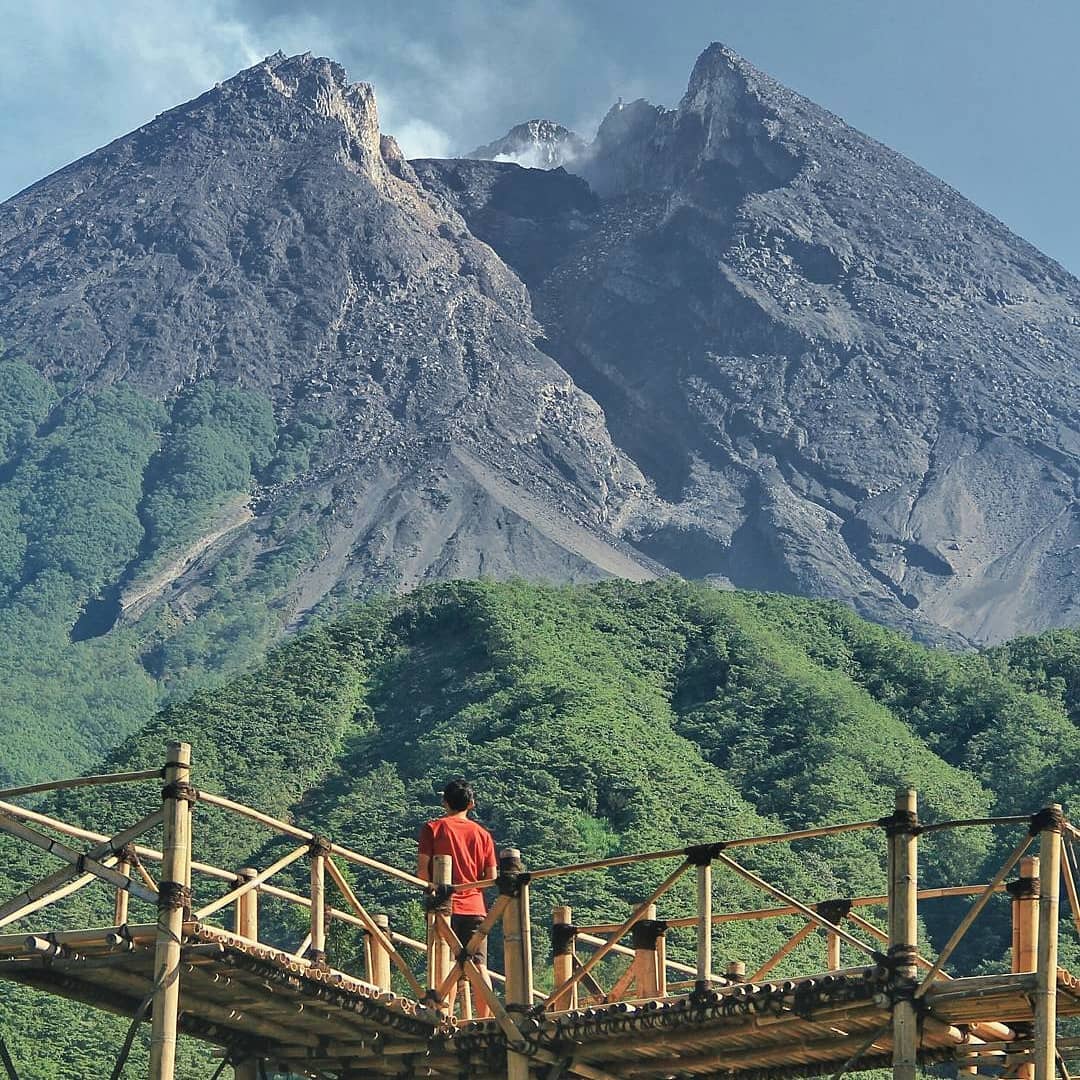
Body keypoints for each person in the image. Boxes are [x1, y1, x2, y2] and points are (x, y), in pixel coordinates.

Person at [417, 778, 498, 1017]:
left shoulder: (433, 828)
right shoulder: (483, 835)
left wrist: (431, 889)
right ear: (471, 804)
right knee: (478, 965)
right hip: (475, 908)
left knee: (447, 965)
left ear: (444, 802)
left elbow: (423, 870)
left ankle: (446, 1016)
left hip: (444, 909)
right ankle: (487, 1018)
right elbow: (491, 876)